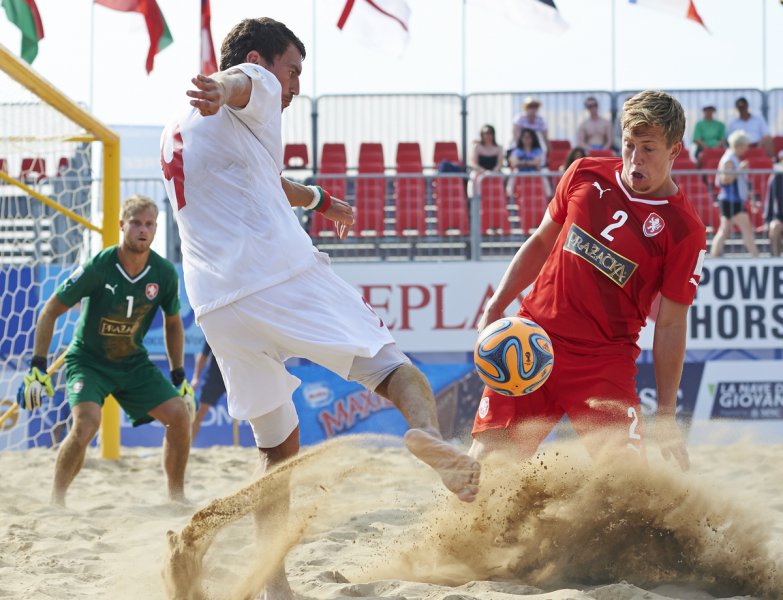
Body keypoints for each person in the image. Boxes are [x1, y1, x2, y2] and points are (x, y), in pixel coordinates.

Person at [160, 17, 480, 598]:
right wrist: (227, 83)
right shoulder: (246, 84)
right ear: (261, 59)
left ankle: (273, 583)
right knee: (394, 368)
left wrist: (321, 200)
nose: (295, 85)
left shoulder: (177, 129)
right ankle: (430, 437)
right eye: (293, 71)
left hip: (216, 305)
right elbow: (243, 81)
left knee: (276, 449)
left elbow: (263, 175)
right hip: (279, 275)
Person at [470, 91, 706, 473]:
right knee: (486, 466)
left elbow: (671, 323)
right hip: (535, 341)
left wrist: (665, 414)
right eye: (630, 145)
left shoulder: (685, 230)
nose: (636, 159)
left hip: (604, 364)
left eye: (648, 148)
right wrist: (497, 303)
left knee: (630, 490)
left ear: (674, 150)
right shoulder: (584, 172)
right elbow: (541, 242)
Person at [16, 195, 194, 506]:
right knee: (86, 424)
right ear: (122, 225)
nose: (143, 229)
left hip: (132, 362)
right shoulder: (100, 265)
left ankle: (176, 498)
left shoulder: (164, 273)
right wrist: (37, 367)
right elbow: (49, 311)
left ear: (156, 228)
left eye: (149, 224)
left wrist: (179, 376)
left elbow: (174, 325)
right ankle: (56, 502)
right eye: (136, 223)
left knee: (179, 415)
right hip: (89, 361)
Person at [710, 130, 760, 257]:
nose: (746, 149)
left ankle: (713, 257)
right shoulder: (729, 160)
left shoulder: (732, 158)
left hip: (731, 200)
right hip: (731, 201)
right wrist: (739, 170)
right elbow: (725, 180)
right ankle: (757, 258)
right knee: (747, 229)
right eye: (745, 146)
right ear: (739, 145)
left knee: (724, 231)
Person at [189, 339, 226, 441]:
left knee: (253, 414)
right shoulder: (213, 329)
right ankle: (187, 447)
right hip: (215, 377)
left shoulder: (242, 329)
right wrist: (196, 377)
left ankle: (261, 448)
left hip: (237, 377)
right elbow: (203, 355)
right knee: (199, 412)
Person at [764, 151, 783, 256]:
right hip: (780, 217)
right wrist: (768, 220)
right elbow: (770, 200)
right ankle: (776, 259)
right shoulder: (776, 178)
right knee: (775, 227)